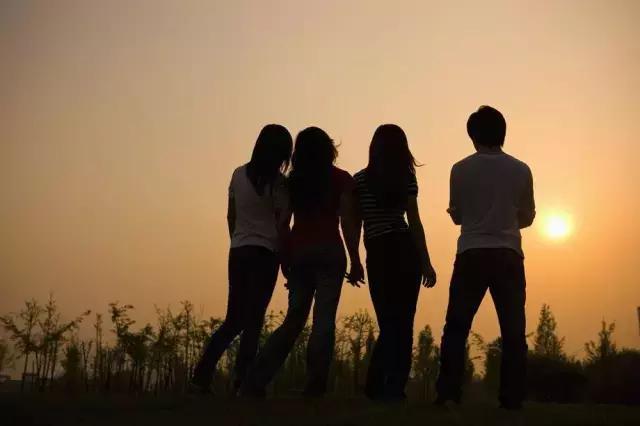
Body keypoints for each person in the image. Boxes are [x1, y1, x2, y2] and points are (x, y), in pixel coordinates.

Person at [241, 126, 364, 397]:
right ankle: (315, 385)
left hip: (300, 253)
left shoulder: (292, 182)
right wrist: (356, 259)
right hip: (330, 252)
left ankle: (254, 381)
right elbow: (348, 221)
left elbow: (283, 224)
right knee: (324, 320)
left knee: (293, 320)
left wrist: (285, 258)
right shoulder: (341, 179)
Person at [436, 106, 535, 410]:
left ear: (473, 135)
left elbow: (457, 216)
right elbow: (528, 216)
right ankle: (512, 398)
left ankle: (449, 394)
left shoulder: (459, 169)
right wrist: (504, 220)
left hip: (471, 251)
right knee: (513, 330)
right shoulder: (521, 169)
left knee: (457, 326)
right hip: (508, 253)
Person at [191, 124, 293, 393]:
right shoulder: (280, 185)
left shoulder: (238, 175)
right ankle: (243, 380)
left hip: (238, 252)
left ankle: (202, 376)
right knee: (254, 320)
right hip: (266, 254)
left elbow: (231, 216)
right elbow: (283, 227)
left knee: (234, 319)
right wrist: (286, 263)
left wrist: (237, 241)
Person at [354, 124, 437, 401]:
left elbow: (355, 223)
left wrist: (354, 257)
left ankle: (377, 385)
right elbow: (414, 222)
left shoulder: (360, 181)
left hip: (378, 251)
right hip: (404, 249)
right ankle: (394, 387)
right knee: (404, 322)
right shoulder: (406, 179)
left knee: (388, 322)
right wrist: (425, 261)